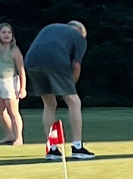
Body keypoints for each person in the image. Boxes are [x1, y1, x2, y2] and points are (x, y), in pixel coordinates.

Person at [24, 19, 94, 159]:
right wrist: (71, 86)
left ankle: (52, 149)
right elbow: (76, 65)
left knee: (49, 103)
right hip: (54, 60)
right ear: (81, 32)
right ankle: (77, 147)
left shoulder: (50, 27)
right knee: (74, 102)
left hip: (31, 62)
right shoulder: (79, 37)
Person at [0, 21, 24, 147]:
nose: (6, 34)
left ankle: (19, 137)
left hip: (10, 81)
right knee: (1, 111)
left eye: (9, 32)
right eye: (3, 32)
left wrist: (22, 88)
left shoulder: (14, 50)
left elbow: (21, 69)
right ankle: (10, 135)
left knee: (13, 112)